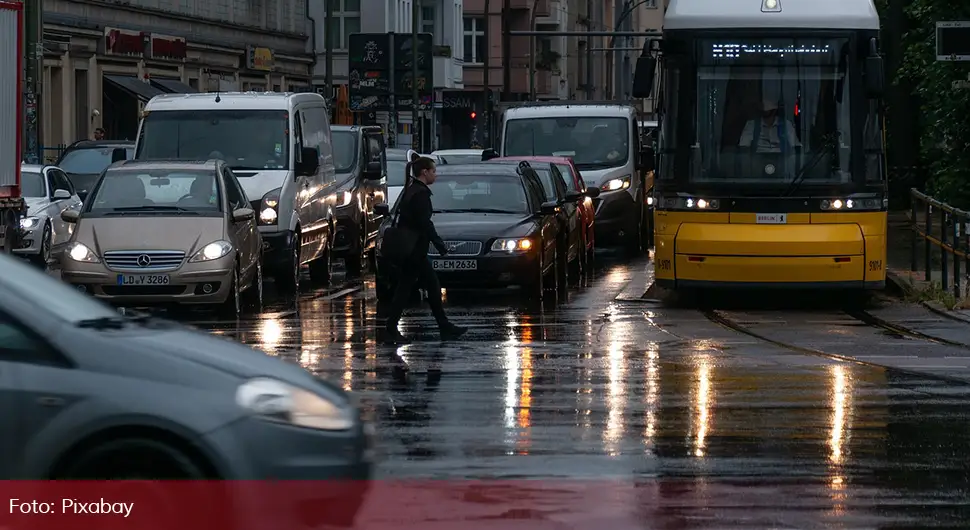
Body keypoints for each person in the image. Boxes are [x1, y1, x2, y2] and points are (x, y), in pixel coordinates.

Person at [382, 153, 468, 344]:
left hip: (413, 248)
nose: (435, 175)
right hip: (414, 249)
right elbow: (424, 223)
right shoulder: (419, 194)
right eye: (433, 171)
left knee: (422, 286)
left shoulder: (412, 190)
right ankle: (393, 327)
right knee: (419, 287)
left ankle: (443, 326)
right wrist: (440, 245)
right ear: (424, 172)